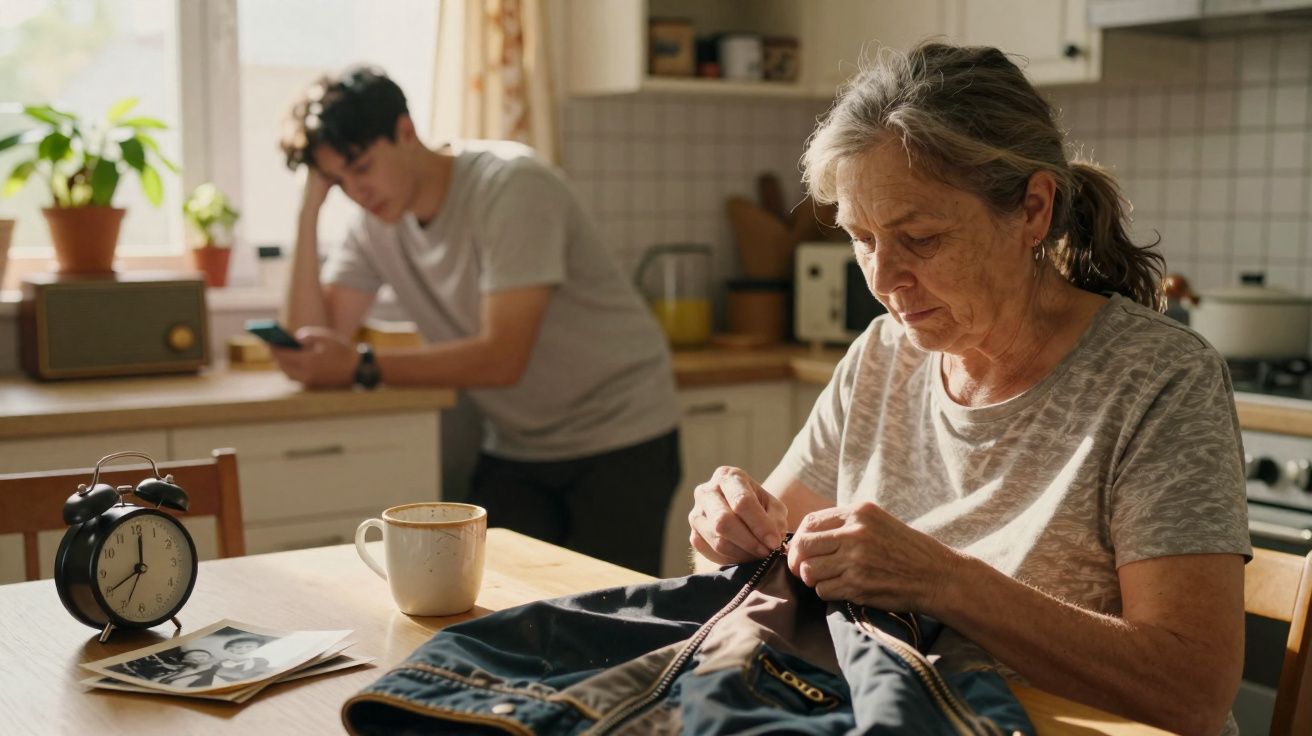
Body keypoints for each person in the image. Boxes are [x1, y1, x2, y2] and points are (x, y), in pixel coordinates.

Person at [688, 42, 1249, 736]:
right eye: (862, 238)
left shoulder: (1159, 379)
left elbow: (1190, 692)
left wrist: (941, 581)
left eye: (920, 238)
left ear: (1033, 210)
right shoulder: (881, 356)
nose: (883, 279)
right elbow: (753, 557)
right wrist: (726, 531)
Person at [273, 67, 680, 575]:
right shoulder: (373, 223)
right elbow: (308, 348)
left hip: (622, 433)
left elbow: (502, 358)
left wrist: (362, 366)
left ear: (405, 130)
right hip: (518, 443)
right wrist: (308, 209)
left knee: (612, 611)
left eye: (361, 167)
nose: (356, 191)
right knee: (495, 604)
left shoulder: (510, 184)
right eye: (338, 181)